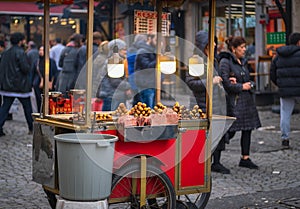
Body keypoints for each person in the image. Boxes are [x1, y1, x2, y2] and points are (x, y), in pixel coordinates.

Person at [186, 31, 229, 174]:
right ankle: (202, 163)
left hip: (216, 101)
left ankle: (216, 162)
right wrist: (211, 82)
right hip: (202, 102)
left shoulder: (213, 59)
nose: (215, 45)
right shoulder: (196, 60)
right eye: (212, 42)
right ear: (203, 45)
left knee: (218, 132)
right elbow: (192, 83)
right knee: (205, 135)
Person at [219, 36, 261, 169]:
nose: (244, 50)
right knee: (229, 131)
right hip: (235, 101)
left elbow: (251, 79)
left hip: (247, 101)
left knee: (247, 129)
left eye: (244, 47)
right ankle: (214, 156)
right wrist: (241, 87)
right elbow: (225, 83)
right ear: (233, 48)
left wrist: (250, 85)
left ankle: (245, 158)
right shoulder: (226, 61)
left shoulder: (243, 61)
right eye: (241, 47)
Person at [0, 32, 33, 137]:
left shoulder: (5, 53)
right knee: (27, 108)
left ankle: (0, 127)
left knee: (5, 108)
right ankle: (32, 128)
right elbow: (25, 68)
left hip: (7, 86)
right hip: (20, 86)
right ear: (20, 41)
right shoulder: (20, 52)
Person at [270, 32, 300, 148]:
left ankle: (285, 138)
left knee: (285, 114)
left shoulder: (279, 55)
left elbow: (272, 73)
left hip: (285, 90)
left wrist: (280, 84)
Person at [96, 39, 131, 111]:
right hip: (112, 95)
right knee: (111, 119)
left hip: (112, 95)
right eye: (123, 49)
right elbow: (115, 80)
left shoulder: (115, 60)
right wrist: (128, 86)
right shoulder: (115, 61)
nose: (126, 52)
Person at [32, 45, 58, 113]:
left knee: (48, 99)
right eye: (40, 50)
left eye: (42, 50)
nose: (41, 52)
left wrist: (53, 82)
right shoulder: (36, 61)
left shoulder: (51, 61)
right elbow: (32, 73)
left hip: (49, 83)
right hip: (38, 83)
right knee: (39, 100)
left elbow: (54, 73)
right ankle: (40, 112)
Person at [134, 34, 157, 109]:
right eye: (156, 40)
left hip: (151, 83)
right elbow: (147, 67)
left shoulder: (152, 51)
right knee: (147, 109)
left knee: (151, 108)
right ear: (149, 39)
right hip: (145, 84)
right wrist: (158, 60)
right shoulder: (143, 51)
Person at [127, 34, 147, 106]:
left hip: (132, 78)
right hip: (138, 80)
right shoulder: (141, 51)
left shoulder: (131, 49)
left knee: (136, 101)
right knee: (140, 102)